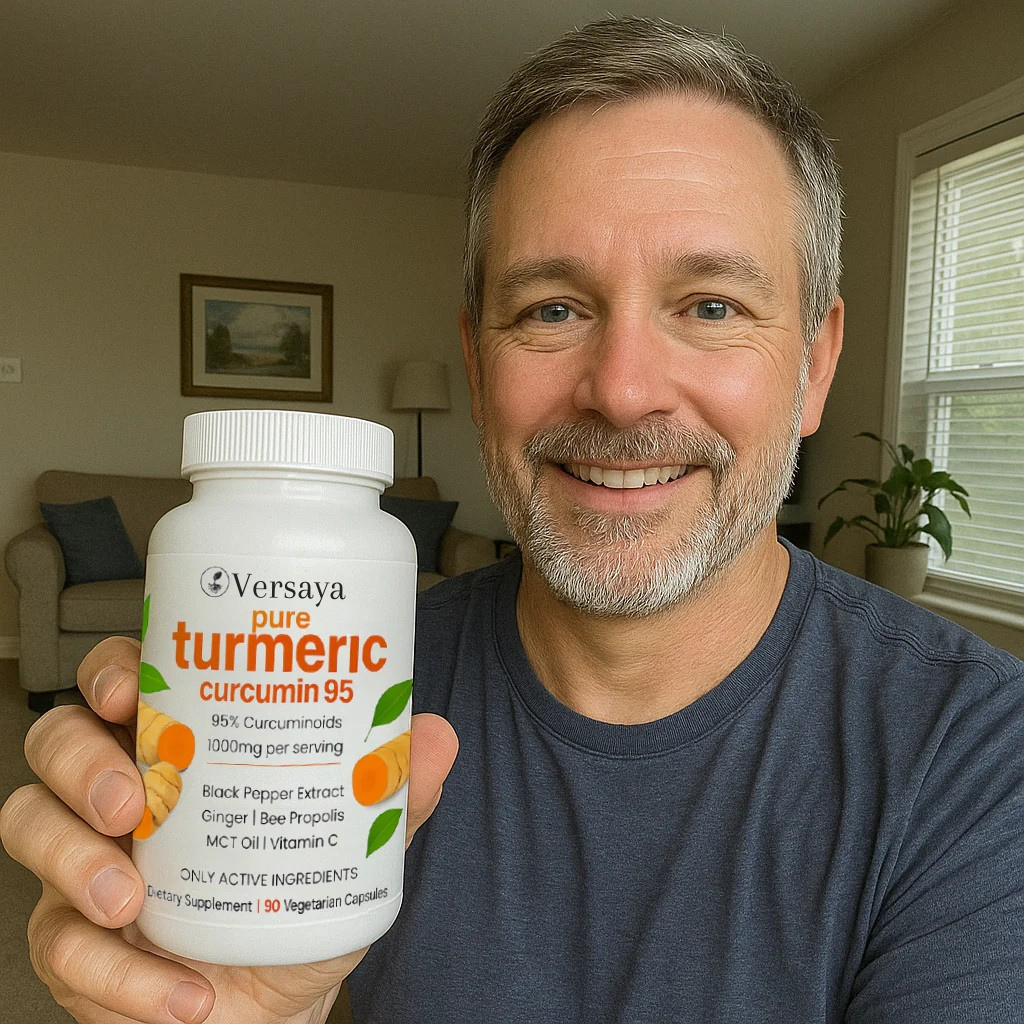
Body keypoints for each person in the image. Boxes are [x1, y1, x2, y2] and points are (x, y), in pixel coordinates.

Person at [3, 15, 1023, 1024]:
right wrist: (223, 1008)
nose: (622, 390)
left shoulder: (978, 757)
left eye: (711, 305)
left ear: (816, 364)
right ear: (478, 365)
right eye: (552, 309)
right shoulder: (340, 696)